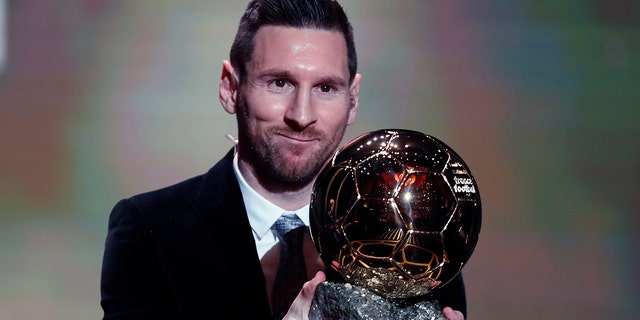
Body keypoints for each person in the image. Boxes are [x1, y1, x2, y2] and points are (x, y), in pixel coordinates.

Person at [100, 0, 467, 319]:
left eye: (326, 88)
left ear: (352, 100)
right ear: (231, 87)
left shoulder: (418, 241)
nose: (302, 114)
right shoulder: (151, 231)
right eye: (279, 83)